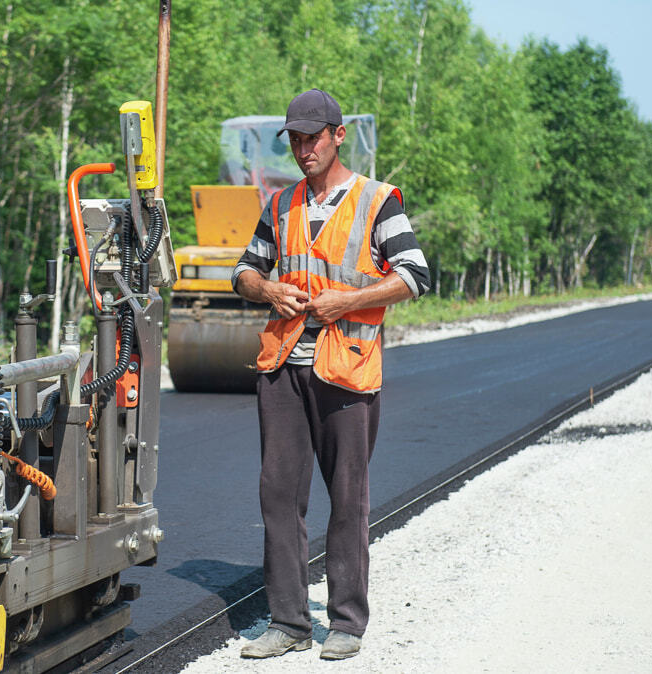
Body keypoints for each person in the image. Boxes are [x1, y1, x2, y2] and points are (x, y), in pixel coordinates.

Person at [233, 89, 430, 661]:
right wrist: (267, 288)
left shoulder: (376, 201)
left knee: (348, 499)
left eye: (313, 138)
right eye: (294, 139)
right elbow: (245, 271)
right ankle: (289, 622)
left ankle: (346, 622)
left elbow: (415, 275)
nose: (303, 149)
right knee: (277, 495)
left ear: (338, 135)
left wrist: (349, 301)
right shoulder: (281, 204)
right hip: (284, 371)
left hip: (346, 371)